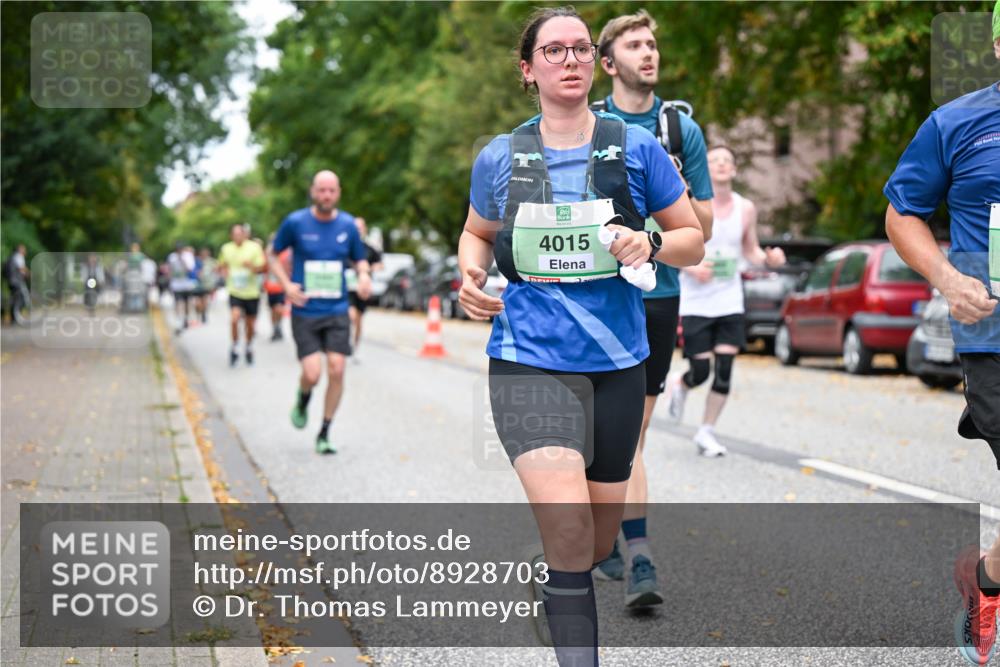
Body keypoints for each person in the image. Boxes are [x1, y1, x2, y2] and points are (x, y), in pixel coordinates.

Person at [457, 8, 703, 665]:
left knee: (594, 546)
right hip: (527, 360)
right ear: (527, 68)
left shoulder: (635, 147)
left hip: (618, 362)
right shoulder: (501, 156)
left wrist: (647, 238)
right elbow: (477, 232)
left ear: (596, 62)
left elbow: (690, 236)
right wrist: (471, 276)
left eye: (581, 50)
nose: (570, 60)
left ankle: (557, 581)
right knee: (567, 525)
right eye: (554, 50)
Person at [884, 7, 1000, 662]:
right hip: (994, 334)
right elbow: (903, 215)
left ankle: (986, 576)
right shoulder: (957, 122)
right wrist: (948, 279)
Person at [589, 9, 715, 608]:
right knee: (592, 432)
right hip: (591, 296)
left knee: (632, 435)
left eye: (653, 44)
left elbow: (702, 228)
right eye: (634, 45)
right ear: (608, 63)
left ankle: (638, 557)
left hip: (657, 297)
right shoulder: (589, 125)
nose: (649, 53)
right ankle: (604, 532)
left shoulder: (678, 127)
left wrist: (671, 192)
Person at [666, 146, 785, 455]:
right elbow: (673, 247)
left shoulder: (745, 208)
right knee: (702, 371)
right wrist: (692, 266)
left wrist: (769, 259)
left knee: (725, 370)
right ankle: (682, 383)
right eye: (714, 160)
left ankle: (706, 432)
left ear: (734, 170)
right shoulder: (692, 205)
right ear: (705, 169)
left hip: (730, 299)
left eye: (727, 161)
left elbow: (750, 250)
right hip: (695, 301)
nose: (721, 165)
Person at [270, 170, 372, 455]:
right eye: (321, 190)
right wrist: (286, 284)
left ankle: (325, 431)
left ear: (338, 192)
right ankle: (303, 398)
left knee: (338, 368)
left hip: (337, 308)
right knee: (312, 374)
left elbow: (360, 260)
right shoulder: (295, 222)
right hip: (305, 309)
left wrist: (364, 276)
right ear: (313, 192)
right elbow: (271, 254)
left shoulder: (348, 225)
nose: (326, 195)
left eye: (331, 190)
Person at [218, 223, 267, 366]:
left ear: (245, 235)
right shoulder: (226, 248)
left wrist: (250, 266)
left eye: (240, 234)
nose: (238, 237)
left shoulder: (254, 247)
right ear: (231, 236)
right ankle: (235, 346)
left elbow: (262, 268)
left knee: (250, 324)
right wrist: (223, 271)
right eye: (235, 234)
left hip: (252, 292)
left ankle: (249, 346)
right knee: (234, 318)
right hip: (235, 290)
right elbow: (222, 264)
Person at [346, 217, 383, 356]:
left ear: (364, 229)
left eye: (360, 228)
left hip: (363, 289)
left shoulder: (369, 248)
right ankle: (346, 343)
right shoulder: (345, 246)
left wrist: (369, 270)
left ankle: (355, 346)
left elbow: (380, 264)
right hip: (348, 287)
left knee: (359, 320)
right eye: (355, 228)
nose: (358, 230)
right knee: (351, 315)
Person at [263, 233, 292, 342]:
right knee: (272, 309)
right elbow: (264, 268)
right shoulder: (267, 253)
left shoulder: (285, 253)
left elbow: (289, 267)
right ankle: (275, 328)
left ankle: (278, 325)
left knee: (278, 307)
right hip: (270, 286)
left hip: (281, 286)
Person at [167, 242, 197, 332]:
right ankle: (178, 321)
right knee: (178, 303)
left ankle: (186, 319)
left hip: (187, 283)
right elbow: (170, 269)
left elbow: (190, 269)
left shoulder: (188, 256)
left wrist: (182, 260)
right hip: (176, 284)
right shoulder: (172, 257)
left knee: (187, 303)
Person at [195, 246, 219, 324]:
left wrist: (214, 284)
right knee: (198, 301)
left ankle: (204, 314)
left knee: (205, 299)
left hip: (207, 284)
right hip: (197, 284)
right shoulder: (197, 261)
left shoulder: (211, 261)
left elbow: (216, 271)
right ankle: (200, 312)